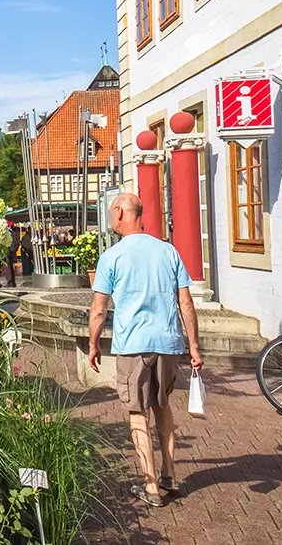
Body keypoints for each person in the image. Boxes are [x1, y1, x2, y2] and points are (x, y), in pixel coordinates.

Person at [86, 192, 203, 508]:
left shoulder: (113, 257)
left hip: (133, 345)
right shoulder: (168, 252)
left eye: (113, 213)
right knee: (163, 407)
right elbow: (186, 302)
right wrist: (193, 346)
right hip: (167, 343)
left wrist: (94, 344)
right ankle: (169, 476)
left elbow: (99, 309)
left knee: (138, 413)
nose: (111, 219)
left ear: (122, 212)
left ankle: (150, 487)